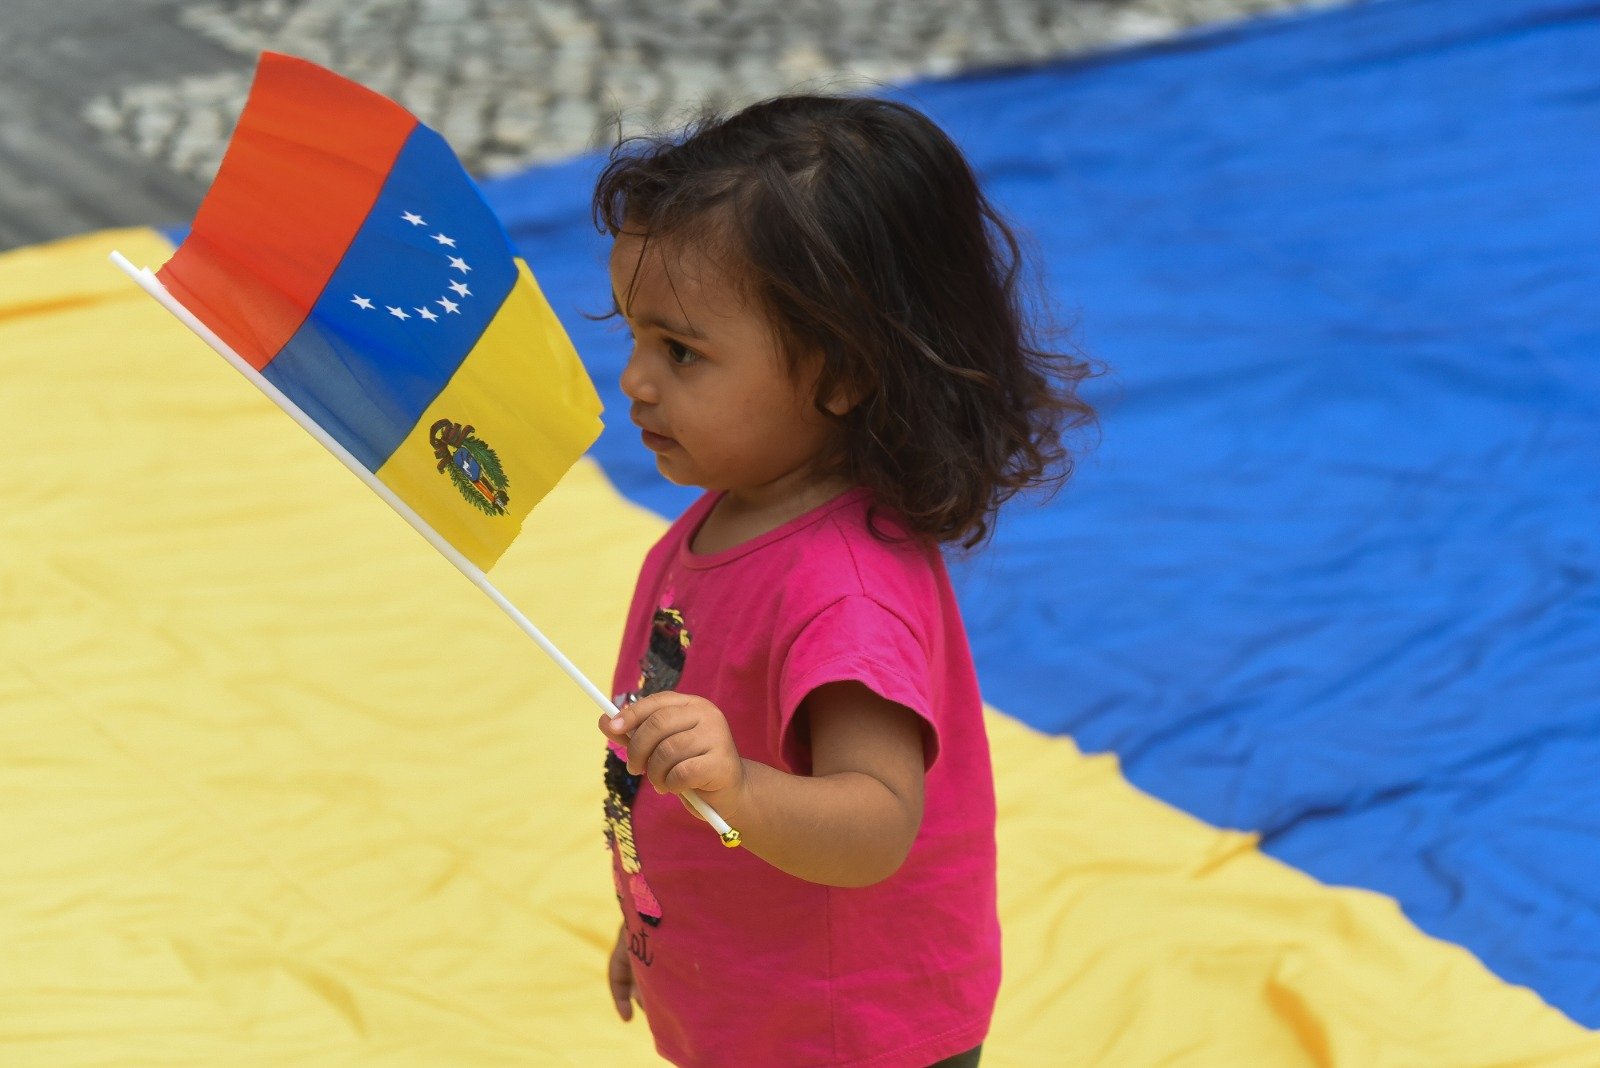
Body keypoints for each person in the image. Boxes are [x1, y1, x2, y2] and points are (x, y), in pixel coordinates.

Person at [593, 93, 1096, 1068]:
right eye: (634, 336)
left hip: (851, 1038)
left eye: (682, 350)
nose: (636, 381)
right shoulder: (724, 514)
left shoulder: (842, 590)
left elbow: (873, 823)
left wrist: (734, 783)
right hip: (754, 1001)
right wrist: (660, 929)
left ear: (841, 372)